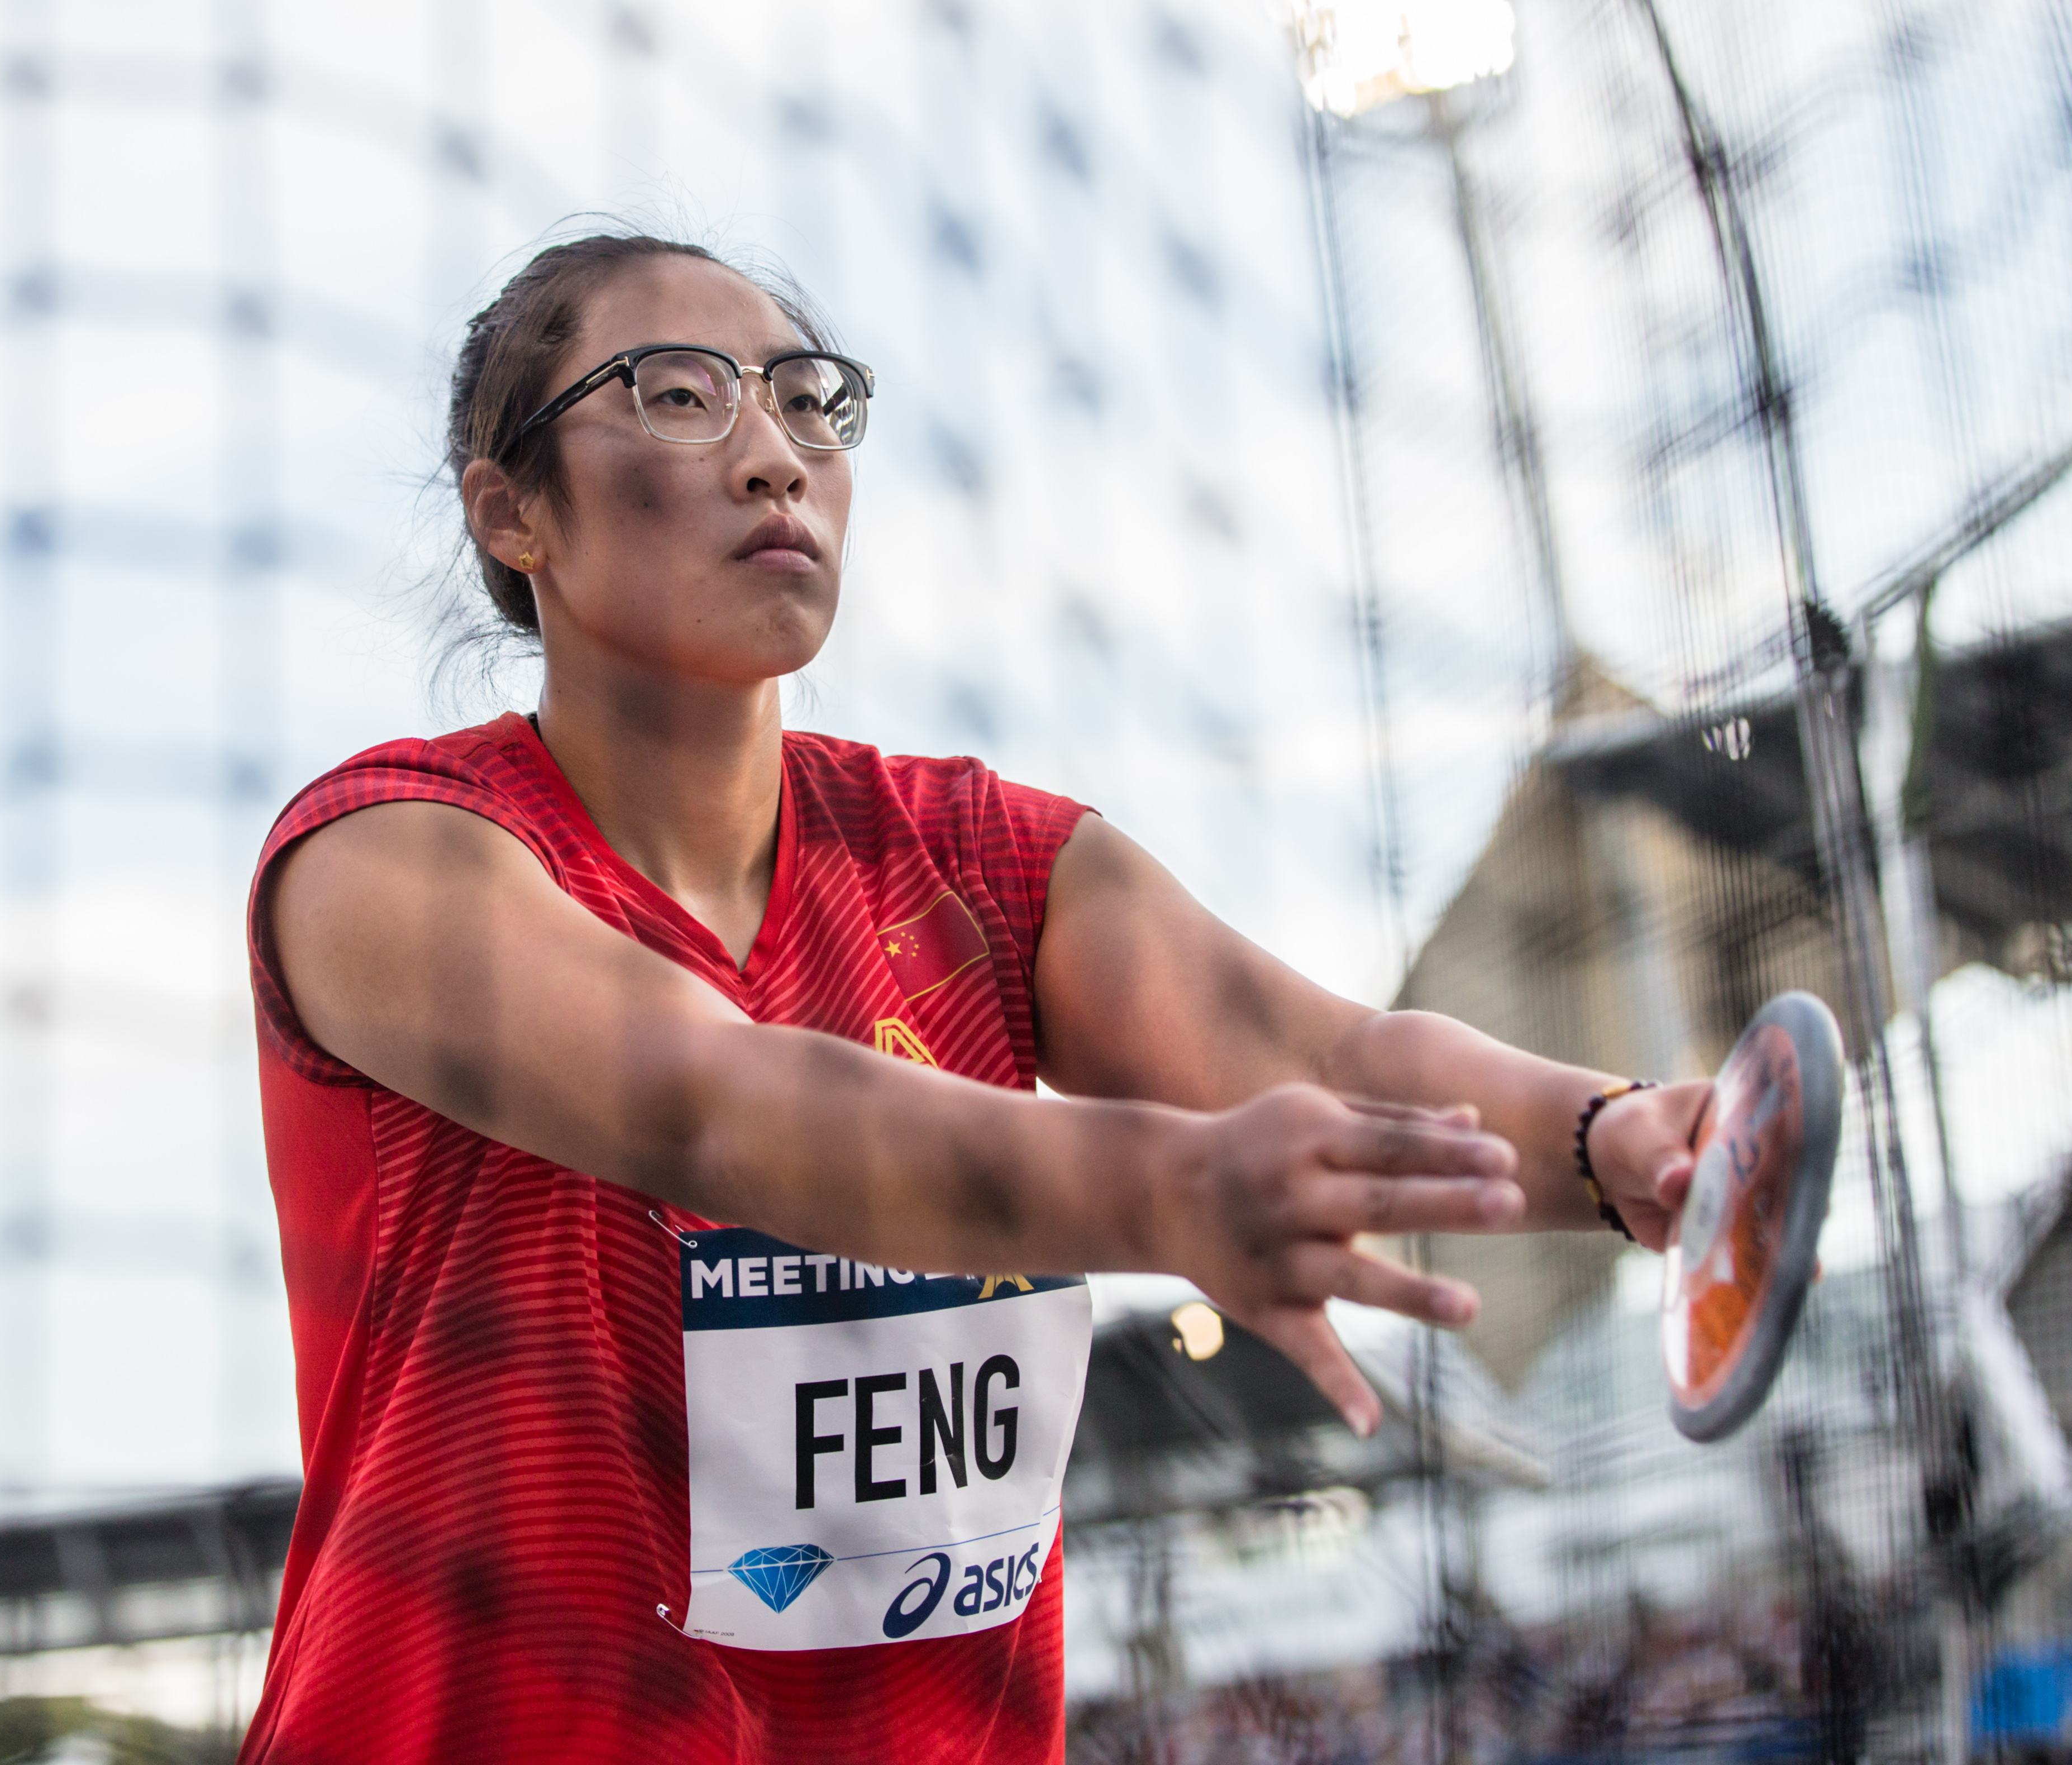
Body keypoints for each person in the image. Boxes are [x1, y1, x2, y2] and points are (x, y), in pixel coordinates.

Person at [237, 232, 1709, 1763]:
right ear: (511, 508)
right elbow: (724, 1109)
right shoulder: (383, 861)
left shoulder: (978, 858)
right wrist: (1172, 1188)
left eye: (808, 404)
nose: (772, 458)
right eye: (675, 398)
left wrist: (1616, 1143)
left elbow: (1318, 1053)